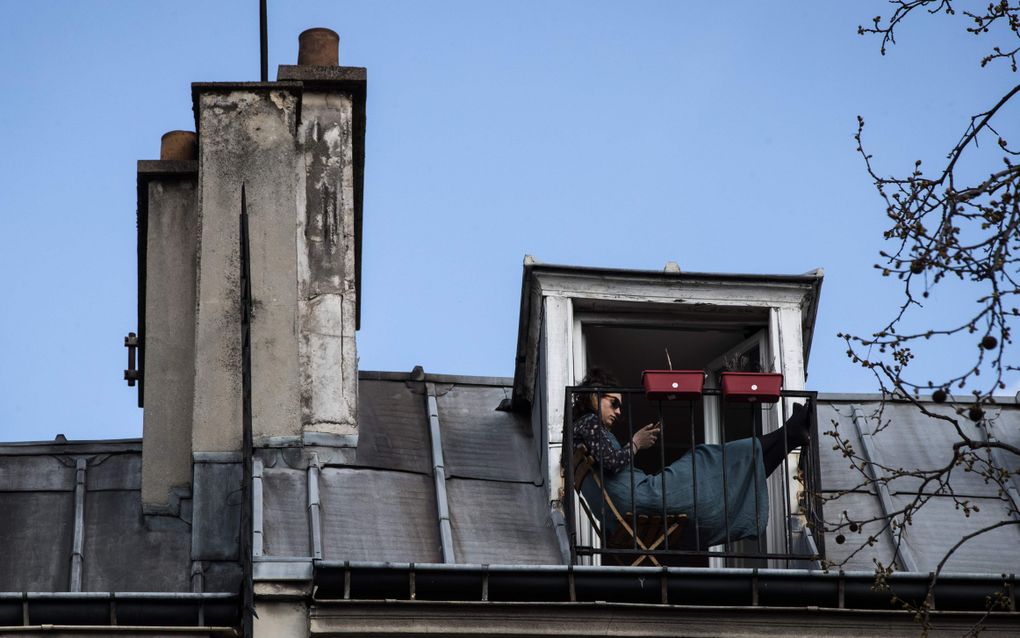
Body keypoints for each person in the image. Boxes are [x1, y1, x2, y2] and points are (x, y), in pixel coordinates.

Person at [571, 368, 811, 548]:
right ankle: (789, 433)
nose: (618, 411)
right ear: (595, 395)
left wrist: (633, 445)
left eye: (620, 406)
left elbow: (608, 466)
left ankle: (790, 435)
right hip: (644, 496)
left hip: (632, 503)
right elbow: (612, 463)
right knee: (704, 459)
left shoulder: (584, 432)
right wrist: (636, 442)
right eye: (614, 403)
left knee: (714, 467)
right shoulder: (590, 423)